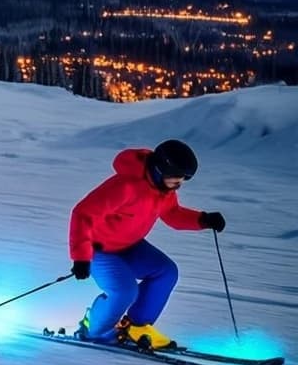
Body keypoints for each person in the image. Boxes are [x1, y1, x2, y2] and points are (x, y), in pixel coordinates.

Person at [70, 139, 226, 349]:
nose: (178, 184)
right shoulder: (125, 186)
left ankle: (136, 326)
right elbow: (83, 213)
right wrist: (81, 257)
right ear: (160, 170)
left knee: (166, 272)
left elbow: (172, 214)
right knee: (125, 291)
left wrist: (203, 219)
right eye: (176, 178)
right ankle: (92, 328)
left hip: (130, 246)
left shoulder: (163, 190)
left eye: (183, 180)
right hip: (100, 250)